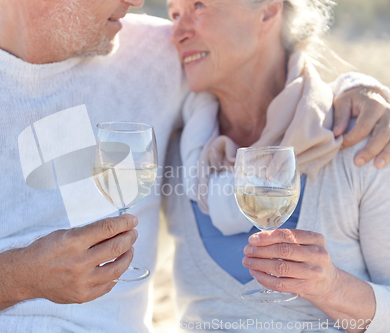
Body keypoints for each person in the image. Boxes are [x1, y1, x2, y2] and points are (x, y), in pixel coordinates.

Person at [0, 0, 388, 332]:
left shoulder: (157, 52)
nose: (136, 0)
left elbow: (265, 61)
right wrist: (16, 277)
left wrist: (357, 87)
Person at [163, 0, 390, 332]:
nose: (177, 33)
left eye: (198, 5)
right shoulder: (178, 154)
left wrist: (331, 288)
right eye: (174, 14)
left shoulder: (361, 139)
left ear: (268, 10)